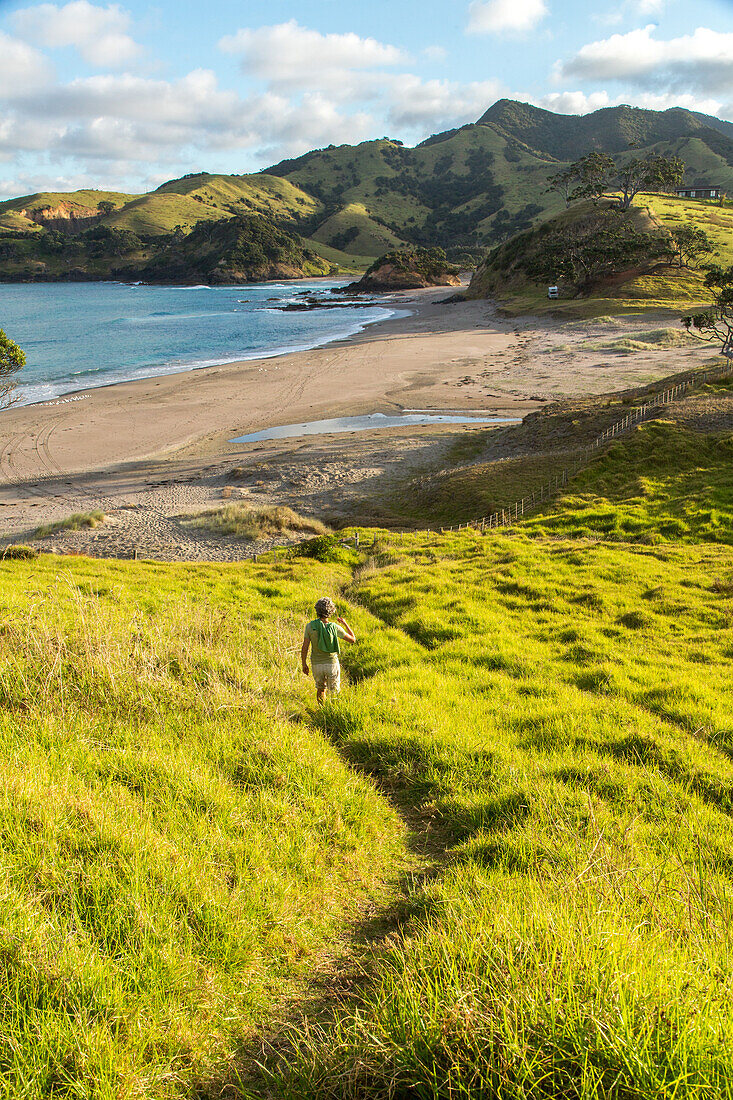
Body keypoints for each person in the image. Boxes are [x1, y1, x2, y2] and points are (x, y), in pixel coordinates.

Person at [301, 596, 356, 705]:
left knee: (321, 689)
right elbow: (353, 640)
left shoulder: (310, 626)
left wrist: (304, 664)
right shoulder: (335, 627)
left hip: (317, 665)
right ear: (331, 611)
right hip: (332, 664)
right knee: (334, 692)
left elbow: (305, 648)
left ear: (317, 610)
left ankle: (322, 711)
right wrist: (345, 623)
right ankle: (333, 714)